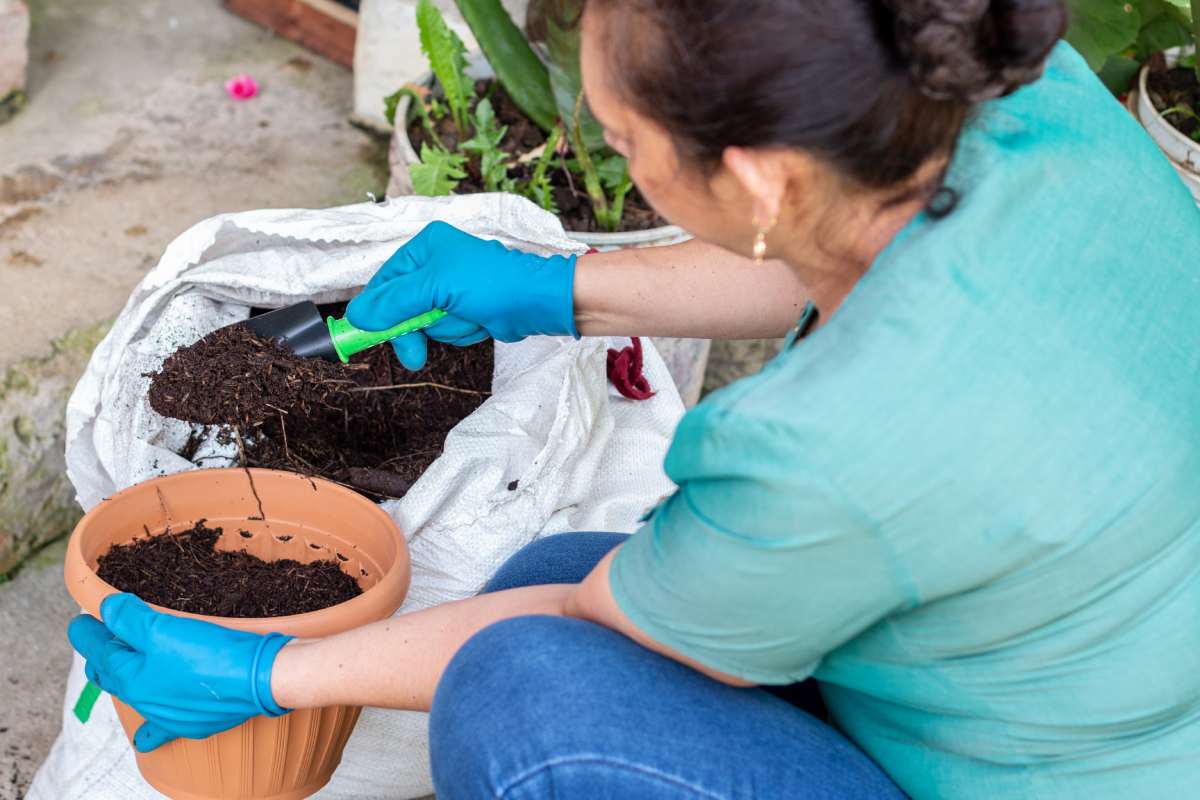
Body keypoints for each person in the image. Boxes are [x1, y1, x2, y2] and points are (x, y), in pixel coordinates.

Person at [68, 0, 1200, 797]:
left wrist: (270, 673)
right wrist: (559, 290)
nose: (614, 149)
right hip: (1088, 642)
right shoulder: (1000, 93)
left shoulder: (830, 440)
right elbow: (835, 244)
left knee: (522, 704)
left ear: (759, 176)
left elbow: (582, 630)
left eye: (622, 138)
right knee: (535, 580)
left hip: (1034, 768)